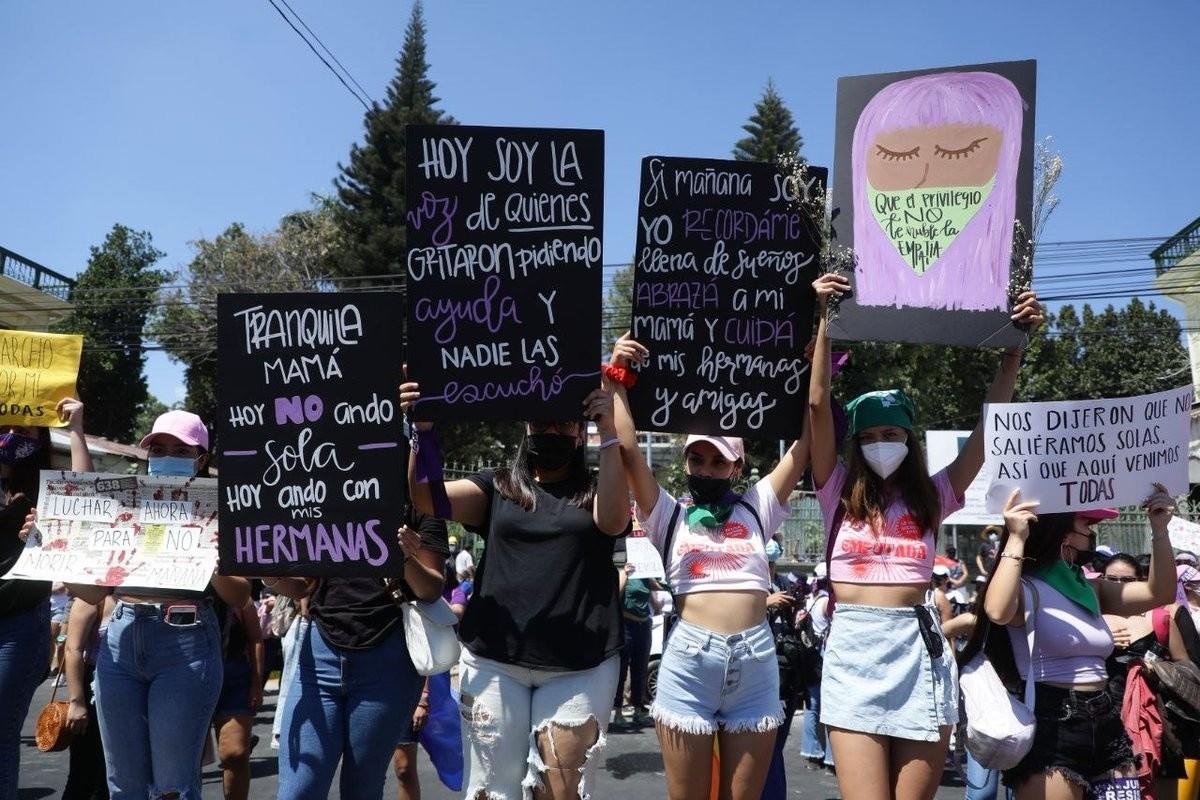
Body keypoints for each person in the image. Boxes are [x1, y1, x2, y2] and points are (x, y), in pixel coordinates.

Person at [808, 271, 1044, 800]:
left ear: (909, 438)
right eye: (869, 436)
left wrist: (1011, 354)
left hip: (920, 651)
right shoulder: (836, 491)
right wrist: (824, 318)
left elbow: (986, 438)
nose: (880, 444)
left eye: (891, 433)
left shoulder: (933, 496)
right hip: (853, 653)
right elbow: (818, 406)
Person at [401, 375, 629, 800]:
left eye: (564, 425)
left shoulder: (597, 491)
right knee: (491, 790)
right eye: (542, 423)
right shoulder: (497, 486)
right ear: (527, 428)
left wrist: (612, 432)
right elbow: (425, 498)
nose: (552, 432)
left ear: (581, 432)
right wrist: (424, 432)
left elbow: (615, 522)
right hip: (493, 662)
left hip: (579, 666)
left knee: (560, 790)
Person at [608, 334, 812, 800]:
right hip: (689, 665)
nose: (705, 468)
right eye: (697, 458)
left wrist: (813, 369)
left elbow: (801, 449)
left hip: (756, 664)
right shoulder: (667, 513)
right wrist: (618, 380)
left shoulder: (759, 506)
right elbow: (629, 453)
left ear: (737, 467)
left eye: (718, 461)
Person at [77, 409, 252, 800]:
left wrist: (212, 559)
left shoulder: (221, 507)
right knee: (123, 785)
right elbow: (90, 592)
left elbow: (240, 596)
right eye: (158, 447)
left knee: (173, 786)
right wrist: (51, 541)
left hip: (185, 643)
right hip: (120, 639)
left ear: (201, 458)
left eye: (180, 448)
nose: (166, 454)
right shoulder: (126, 502)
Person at [961, 487, 1178, 800]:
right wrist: (1017, 537)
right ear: (1059, 526)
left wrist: (1160, 530)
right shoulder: (1027, 587)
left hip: (1108, 720)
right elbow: (996, 611)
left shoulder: (1088, 586)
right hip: (1053, 724)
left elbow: (1161, 593)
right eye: (1085, 521)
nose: (1092, 528)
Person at [268, 512, 447, 800]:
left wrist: (401, 556)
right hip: (319, 653)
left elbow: (431, 588)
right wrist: (270, 576)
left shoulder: (418, 503)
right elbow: (305, 585)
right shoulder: (325, 492)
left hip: (387, 660)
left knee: (362, 789)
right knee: (296, 791)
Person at [1, 397, 91, 799]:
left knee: (1, 732)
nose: (15, 435)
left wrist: (75, 429)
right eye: (8, 425)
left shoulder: (43, 483)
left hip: (18, 623)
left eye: (26, 428)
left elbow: (86, 493)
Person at [62, 592, 115, 800]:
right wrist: (77, 702)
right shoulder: (93, 597)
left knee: (113, 774)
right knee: (85, 774)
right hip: (92, 690)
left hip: (127, 693)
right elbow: (72, 649)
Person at [210, 596, 263, 800]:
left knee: (236, 754)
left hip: (234, 678)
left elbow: (256, 639)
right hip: (190, 678)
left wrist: (256, 683)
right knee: (186, 761)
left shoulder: (239, 598)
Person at [613, 562, 656, 731]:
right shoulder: (625, 571)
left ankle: (638, 712)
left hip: (644, 625)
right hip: (626, 624)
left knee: (640, 670)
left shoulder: (646, 574)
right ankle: (617, 713)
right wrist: (625, 572)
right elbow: (616, 592)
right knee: (621, 670)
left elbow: (657, 589)